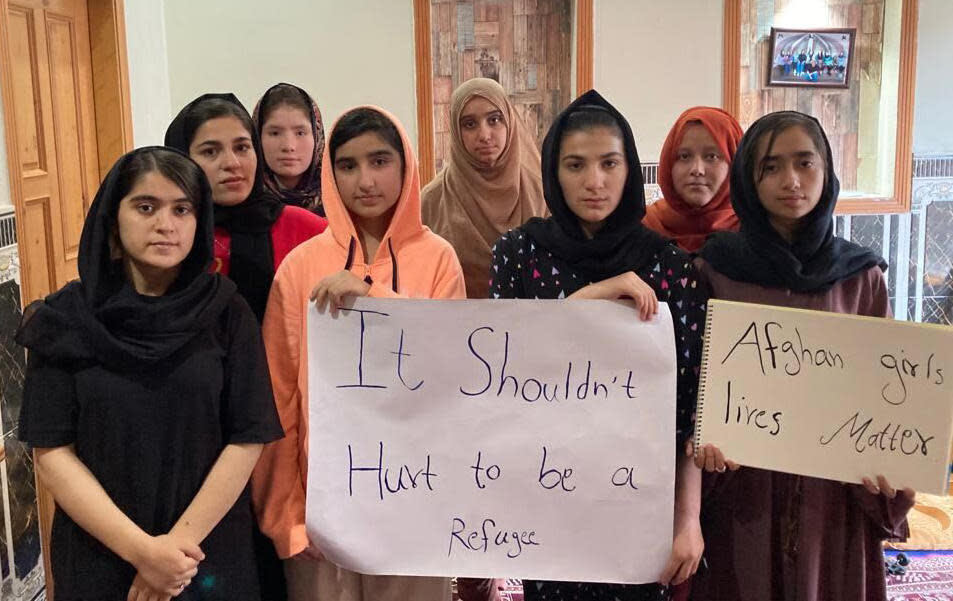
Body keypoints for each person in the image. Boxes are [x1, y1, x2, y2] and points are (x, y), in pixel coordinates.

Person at [17, 146, 283, 601]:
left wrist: (174, 555)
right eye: (146, 207)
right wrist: (143, 553)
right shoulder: (65, 319)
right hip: (101, 555)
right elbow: (52, 451)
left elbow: (247, 437)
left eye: (183, 209)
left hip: (205, 553)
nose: (166, 224)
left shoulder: (227, 311)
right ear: (112, 217)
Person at [489, 90, 706, 600]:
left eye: (610, 163)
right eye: (575, 165)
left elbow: (691, 406)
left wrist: (688, 518)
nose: (594, 182)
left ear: (630, 169)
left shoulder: (669, 268)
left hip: (639, 500)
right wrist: (592, 297)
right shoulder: (518, 256)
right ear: (551, 171)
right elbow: (504, 379)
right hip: (547, 496)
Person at [692, 111, 915, 601]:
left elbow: (885, 392)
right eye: (770, 167)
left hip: (833, 498)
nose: (790, 181)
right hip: (744, 492)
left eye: (804, 163)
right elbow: (700, 384)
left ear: (826, 172)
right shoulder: (719, 271)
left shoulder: (860, 277)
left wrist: (890, 461)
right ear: (749, 180)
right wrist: (703, 444)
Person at [252, 106, 465, 601]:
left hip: (415, 509)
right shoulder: (300, 266)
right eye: (347, 165)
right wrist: (287, 516)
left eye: (380, 160)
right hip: (322, 520)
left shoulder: (438, 259)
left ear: (405, 165)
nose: (365, 180)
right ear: (330, 173)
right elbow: (278, 397)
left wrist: (375, 301)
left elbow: (451, 376)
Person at [165, 93, 326, 322]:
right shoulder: (168, 233)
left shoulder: (305, 228)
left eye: (242, 148)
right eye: (210, 151)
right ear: (183, 161)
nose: (232, 163)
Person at [422, 77, 546, 300]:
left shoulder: (542, 193)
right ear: (456, 131)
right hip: (454, 328)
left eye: (495, 119)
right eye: (469, 124)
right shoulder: (431, 201)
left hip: (531, 328)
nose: (485, 135)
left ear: (509, 121)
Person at [643, 107, 743, 252]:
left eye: (711, 156)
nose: (697, 170)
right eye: (684, 156)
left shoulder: (754, 233)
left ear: (734, 162)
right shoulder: (643, 226)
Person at [253, 83, 326, 215]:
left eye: (300, 133)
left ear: (317, 137)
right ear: (257, 137)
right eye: (275, 133)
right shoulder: (242, 202)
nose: (288, 146)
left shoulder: (338, 201)